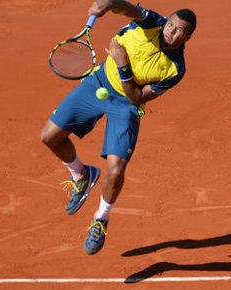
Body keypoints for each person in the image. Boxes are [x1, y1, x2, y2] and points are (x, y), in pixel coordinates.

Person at [40, 0, 197, 255]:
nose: (171, 31)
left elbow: (136, 97)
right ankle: (81, 175)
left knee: (115, 171)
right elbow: (123, 6)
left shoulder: (175, 69)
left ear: (187, 37)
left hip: (126, 105)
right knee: (49, 137)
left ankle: (100, 219)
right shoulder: (151, 22)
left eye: (179, 30)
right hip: (99, 82)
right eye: (170, 24)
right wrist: (106, 5)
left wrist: (122, 64)